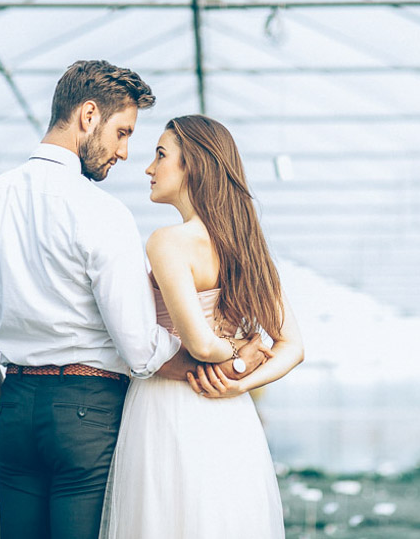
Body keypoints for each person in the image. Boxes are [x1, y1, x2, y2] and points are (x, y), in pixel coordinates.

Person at [0, 61, 268, 539]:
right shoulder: (101, 212)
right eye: (122, 132)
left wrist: (14, 408)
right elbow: (139, 346)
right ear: (88, 115)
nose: (123, 152)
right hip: (87, 408)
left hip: (14, 405)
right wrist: (216, 368)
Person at [100, 114, 306, 539]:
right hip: (229, 413)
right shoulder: (246, 245)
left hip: (167, 406)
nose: (148, 168)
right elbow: (293, 346)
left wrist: (230, 359)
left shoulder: (167, 241)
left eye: (160, 155)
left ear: (192, 164)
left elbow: (197, 341)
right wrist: (239, 381)